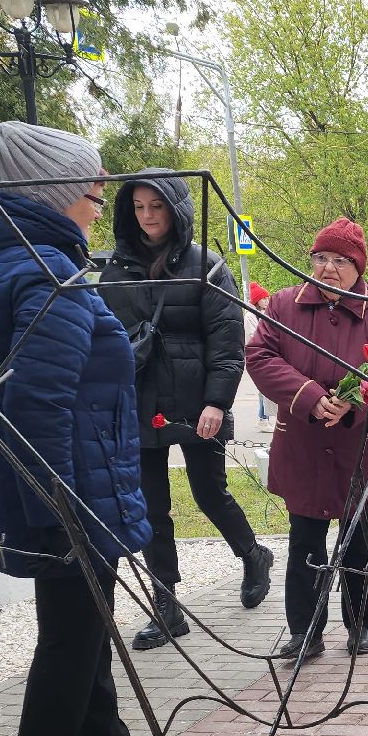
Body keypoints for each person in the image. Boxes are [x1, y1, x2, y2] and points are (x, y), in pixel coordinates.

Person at [0, 122, 165, 736]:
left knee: (83, 618)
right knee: (72, 631)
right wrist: (56, 503)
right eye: (96, 194)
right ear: (58, 194)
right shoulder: (45, 269)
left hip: (58, 477)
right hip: (64, 486)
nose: (102, 206)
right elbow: (37, 400)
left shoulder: (0, 259)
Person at [101, 171, 270, 652]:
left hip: (198, 402)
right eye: (138, 207)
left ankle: (253, 555)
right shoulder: (116, 269)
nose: (148, 216)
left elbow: (227, 343)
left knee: (208, 494)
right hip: (140, 401)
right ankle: (167, 609)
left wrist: (216, 401)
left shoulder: (208, 267)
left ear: (176, 209)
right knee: (151, 508)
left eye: (156, 206)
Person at [248, 219, 368, 661]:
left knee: (364, 541)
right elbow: (259, 356)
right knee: (305, 541)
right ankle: (305, 632)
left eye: (341, 260)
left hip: (362, 446)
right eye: (321, 258)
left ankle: (360, 624)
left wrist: (355, 404)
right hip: (305, 444)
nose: (329, 268)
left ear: (359, 268)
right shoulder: (282, 306)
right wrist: (311, 397)